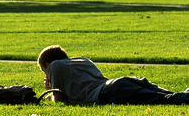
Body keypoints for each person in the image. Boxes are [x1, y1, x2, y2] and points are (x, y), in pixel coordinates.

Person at [38, 45, 189, 105]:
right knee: (173, 95)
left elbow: (58, 101)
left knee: (167, 100)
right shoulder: (82, 60)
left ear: (47, 65)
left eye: (44, 72)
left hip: (111, 92)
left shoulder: (54, 66)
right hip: (119, 83)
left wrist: (50, 91)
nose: (46, 75)